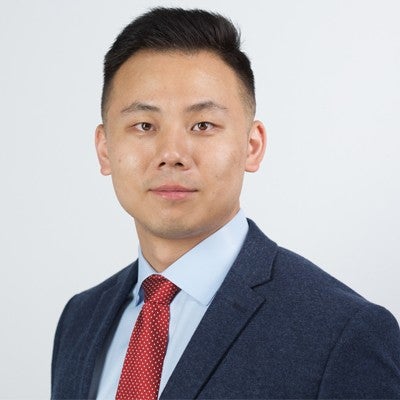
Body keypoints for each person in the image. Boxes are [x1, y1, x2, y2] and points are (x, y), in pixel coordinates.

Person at [51, 7, 400, 399]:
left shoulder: (344, 333)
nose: (172, 154)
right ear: (105, 150)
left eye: (203, 125)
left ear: (252, 145)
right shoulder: (80, 319)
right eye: (144, 125)